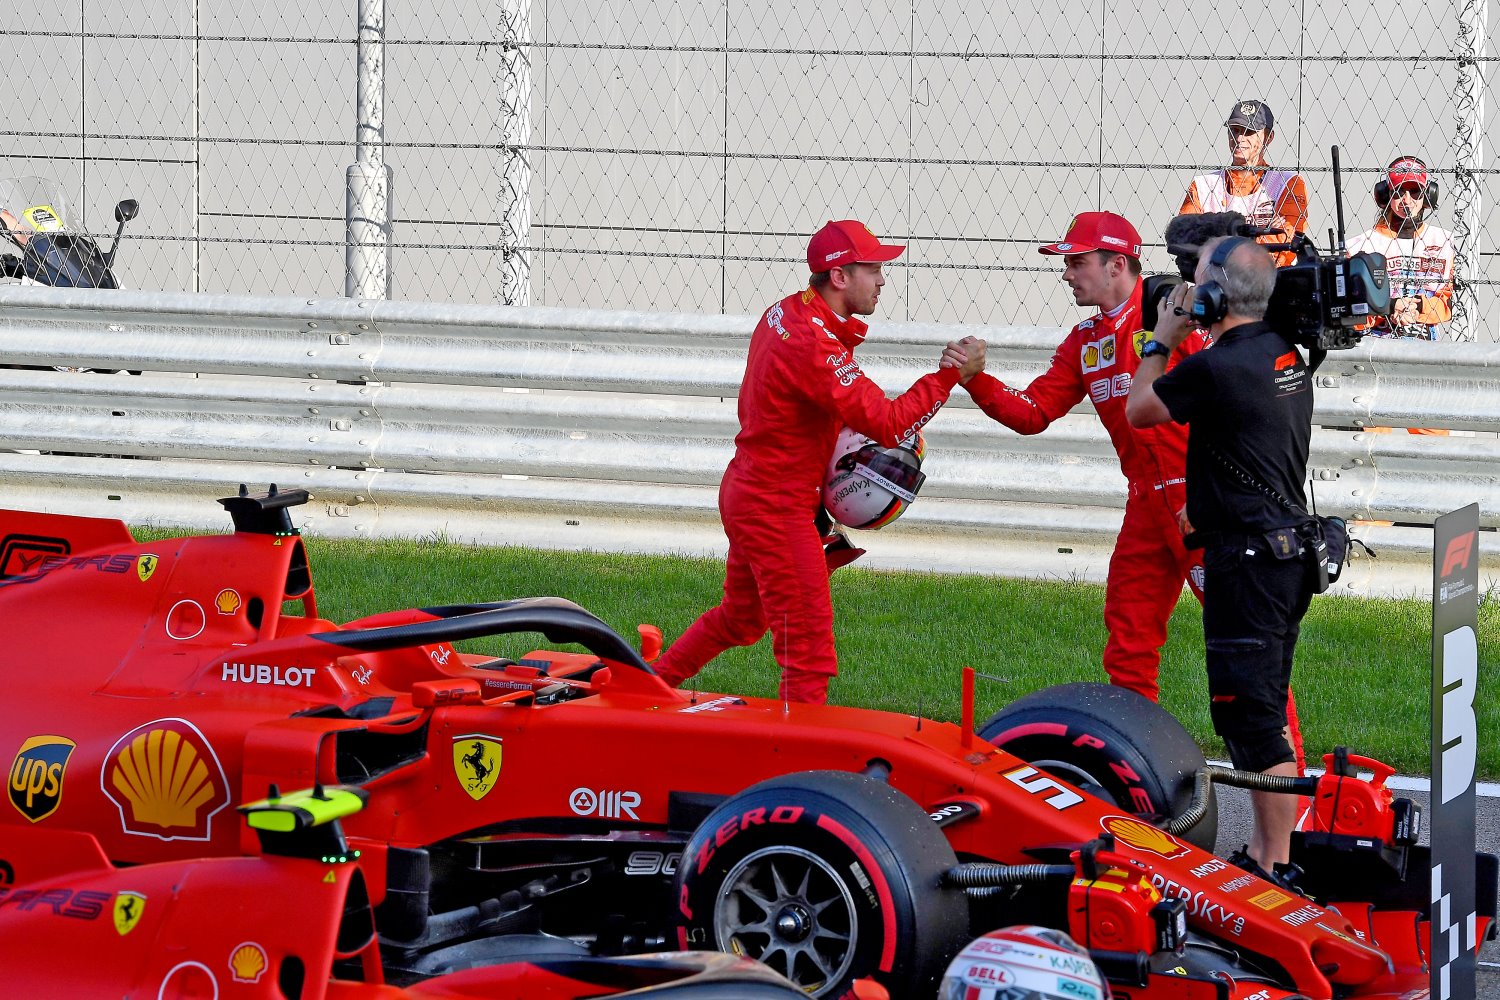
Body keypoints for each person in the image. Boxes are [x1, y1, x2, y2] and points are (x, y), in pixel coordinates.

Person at [652, 220, 985, 704]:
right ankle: (798, 771)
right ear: (840, 277)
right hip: (774, 507)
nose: (883, 279)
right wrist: (949, 375)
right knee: (808, 652)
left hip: (752, 489)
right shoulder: (813, 342)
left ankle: (649, 683)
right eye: (873, 269)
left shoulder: (787, 312)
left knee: (741, 620)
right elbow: (890, 424)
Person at [956, 212, 1214, 703]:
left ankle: (1281, 770)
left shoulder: (1178, 311)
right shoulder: (1084, 341)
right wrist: (975, 379)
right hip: (1145, 505)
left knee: (1241, 641)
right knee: (1128, 642)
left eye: (1076, 262)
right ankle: (1137, 762)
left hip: (1203, 498)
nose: (1067, 274)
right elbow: (1032, 413)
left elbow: (1233, 394)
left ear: (1117, 264)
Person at [1126, 235, 1314, 883]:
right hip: (1286, 550)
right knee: (1264, 717)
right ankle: (1275, 856)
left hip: (1251, 561)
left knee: (1253, 722)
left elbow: (1139, 407)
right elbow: (1246, 436)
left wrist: (1162, 336)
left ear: (1212, 295)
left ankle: (1274, 864)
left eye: (1195, 279)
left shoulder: (1216, 366)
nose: (1184, 289)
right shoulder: (1284, 352)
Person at [1347, 155, 1454, 437]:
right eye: (1399, 191)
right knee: (1373, 447)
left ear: (1428, 195)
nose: (1407, 199)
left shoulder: (1445, 243)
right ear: (1384, 195)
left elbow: (1448, 301)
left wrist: (1418, 307)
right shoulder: (1361, 245)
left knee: (1433, 444)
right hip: (1374, 360)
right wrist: (1388, 307)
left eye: (1415, 191)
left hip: (1424, 362)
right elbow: (1352, 313)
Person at [1180, 100, 1309, 267]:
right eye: (1234, 130)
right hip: (1212, 284)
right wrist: (1261, 233)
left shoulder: (1288, 183)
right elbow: (1184, 240)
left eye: (1249, 132)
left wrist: (1215, 238)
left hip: (1272, 286)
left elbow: (1286, 245)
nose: (1239, 138)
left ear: (1268, 137)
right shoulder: (1203, 185)